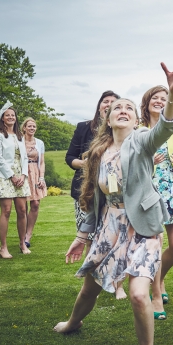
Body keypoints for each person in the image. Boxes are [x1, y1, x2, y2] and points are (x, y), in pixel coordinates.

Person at [53, 53, 173, 345]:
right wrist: (81, 235)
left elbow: (166, 126)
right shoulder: (98, 152)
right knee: (90, 289)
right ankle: (73, 323)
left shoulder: (142, 141)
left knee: (139, 295)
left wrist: (172, 91)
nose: (122, 110)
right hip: (109, 226)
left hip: (143, 227)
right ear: (108, 118)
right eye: (117, 108)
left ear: (136, 119)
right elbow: (92, 198)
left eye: (128, 107)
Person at [140, 85, 173, 316]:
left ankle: (160, 280)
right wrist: (151, 161)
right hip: (150, 190)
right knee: (156, 243)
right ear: (147, 102)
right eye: (155, 98)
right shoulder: (138, 130)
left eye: (164, 98)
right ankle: (157, 296)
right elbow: (135, 164)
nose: (160, 101)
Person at [65, 90, 120, 237]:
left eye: (113, 102)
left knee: (110, 236)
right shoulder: (84, 127)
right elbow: (70, 157)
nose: (108, 104)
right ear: (99, 106)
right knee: (87, 237)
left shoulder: (121, 130)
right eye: (105, 101)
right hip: (85, 189)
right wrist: (84, 164)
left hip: (113, 191)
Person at [0, 101, 31, 258]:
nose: (11, 117)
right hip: (4, 176)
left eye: (13, 115)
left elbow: (25, 158)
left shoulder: (19, 135)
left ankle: (22, 244)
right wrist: (11, 176)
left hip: (20, 176)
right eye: (8, 115)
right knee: (6, 211)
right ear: (2, 118)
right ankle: (3, 247)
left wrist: (23, 175)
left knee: (22, 210)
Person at [21, 117, 47, 247]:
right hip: (23, 174)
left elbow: (41, 162)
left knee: (35, 204)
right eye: (29, 126)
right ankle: (22, 235)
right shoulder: (19, 141)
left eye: (34, 126)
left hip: (35, 173)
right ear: (24, 128)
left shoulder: (40, 143)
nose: (32, 128)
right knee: (22, 207)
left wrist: (41, 177)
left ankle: (28, 235)